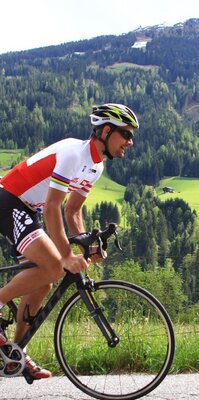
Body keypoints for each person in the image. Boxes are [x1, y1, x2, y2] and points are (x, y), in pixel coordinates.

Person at [0, 103, 139, 379]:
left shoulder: (95, 167)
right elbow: (53, 207)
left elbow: (72, 210)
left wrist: (86, 245)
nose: (130, 142)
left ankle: (14, 355)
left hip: (30, 209)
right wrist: (66, 256)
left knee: (44, 280)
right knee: (53, 266)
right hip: (9, 200)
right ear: (106, 130)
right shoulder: (73, 154)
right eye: (125, 134)